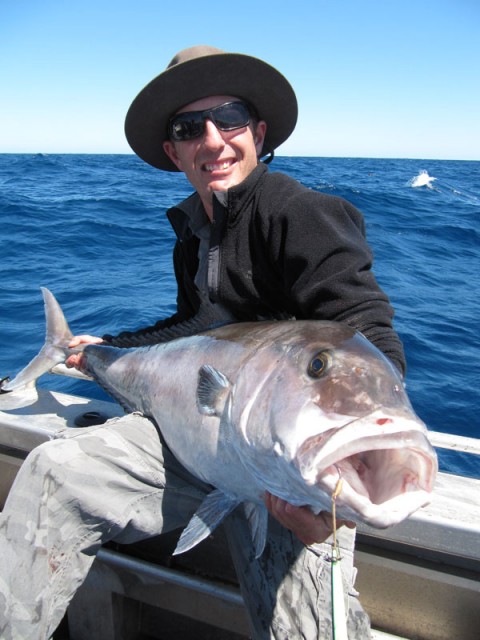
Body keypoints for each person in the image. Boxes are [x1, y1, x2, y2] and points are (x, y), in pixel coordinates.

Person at [0, 45, 405, 639]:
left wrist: (328, 488)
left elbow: (364, 330)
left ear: (259, 132)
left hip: (286, 471)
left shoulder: (300, 212)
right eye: (191, 128)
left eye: (231, 118)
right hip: (197, 437)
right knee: (53, 470)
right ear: (174, 151)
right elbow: (195, 327)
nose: (213, 140)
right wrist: (104, 347)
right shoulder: (194, 231)